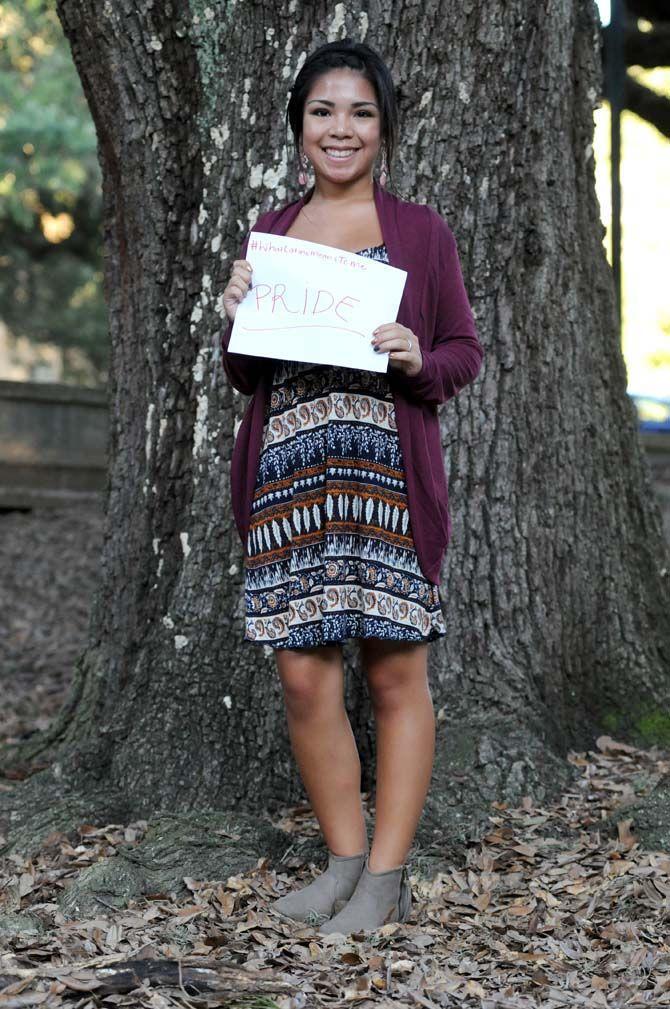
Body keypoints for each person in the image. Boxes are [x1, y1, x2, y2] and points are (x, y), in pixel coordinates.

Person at [220, 40, 484, 934]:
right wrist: (238, 310)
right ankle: (342, 861)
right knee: (304, 676)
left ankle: (386, 875)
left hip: (386, 482)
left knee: (396, 672)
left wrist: (418, 357)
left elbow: (461, 353)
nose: (342, 128)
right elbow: (248, 373)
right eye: (325, 110)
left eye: (361, 112)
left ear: (384, 128)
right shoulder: (274, 228)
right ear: (301, 126)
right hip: (290, 477)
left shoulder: (421, 232)